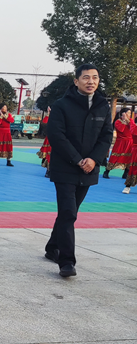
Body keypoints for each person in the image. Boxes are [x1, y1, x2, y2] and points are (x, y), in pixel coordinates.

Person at [44, 64, 113, 277]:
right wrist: (78, 160)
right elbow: (56, 135)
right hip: (65, 167)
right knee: (68, 212)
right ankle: (66, 261)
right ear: (76, 81)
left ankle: (52, 247)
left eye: (95, 77)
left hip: (89, 168)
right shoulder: (62, 105)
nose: (91, 81)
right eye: (86, 77)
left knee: (69, 212)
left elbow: (106, 136)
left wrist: (93, 159)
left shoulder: (103, 106)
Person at [103, 109, 133, 180]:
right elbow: (121, 130)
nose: (129, 114)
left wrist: (128, 121)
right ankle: (107, 171)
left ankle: (125, 173)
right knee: (115, 157)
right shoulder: (118, 122)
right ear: (123, 114)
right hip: (120, 142)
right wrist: (124, 121)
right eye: (128, 113)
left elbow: (133, 128)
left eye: (130, 113)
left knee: (129, 158)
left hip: (129, 142)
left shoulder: (131, 121)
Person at [122, 114, 137, 194]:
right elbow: (133, 131)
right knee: (133, 168)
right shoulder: (134, 127)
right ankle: (128, 186)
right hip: (136, 151)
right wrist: (129, 120)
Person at [37, 107, 52, 177]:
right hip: (51, 138)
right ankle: (48, 171)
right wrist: (48, 114)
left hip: (59, 138)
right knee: (49, 154)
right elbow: (44, 122)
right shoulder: (50, 118)